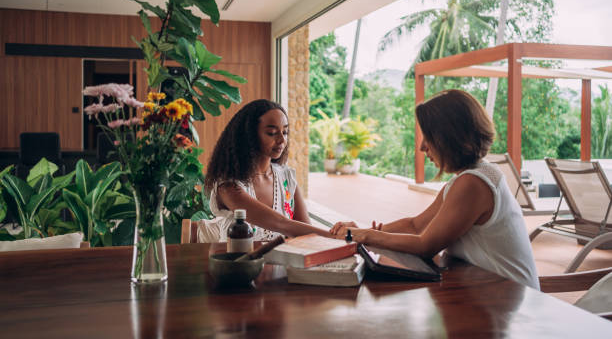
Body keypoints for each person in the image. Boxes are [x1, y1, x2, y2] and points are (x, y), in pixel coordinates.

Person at [330, 89, 540, 289]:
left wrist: (364, 236)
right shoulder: (471, 176)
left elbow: (425, 245)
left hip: (512, 300)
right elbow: (415, 226)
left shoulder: (473, 184)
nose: (422, 147)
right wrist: (362, 230)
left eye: (428, 137)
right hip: (490, 290)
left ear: (450, 137)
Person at [203, 99, 331, 241]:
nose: (282, 140)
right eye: (272, 133)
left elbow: (307, 234)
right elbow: (282, 224)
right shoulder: (228, 186)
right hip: (237, 262)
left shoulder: (286, 178)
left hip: (281, 263)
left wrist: (342, 234)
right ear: (249, 136)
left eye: (285, 132)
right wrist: (343, 236)